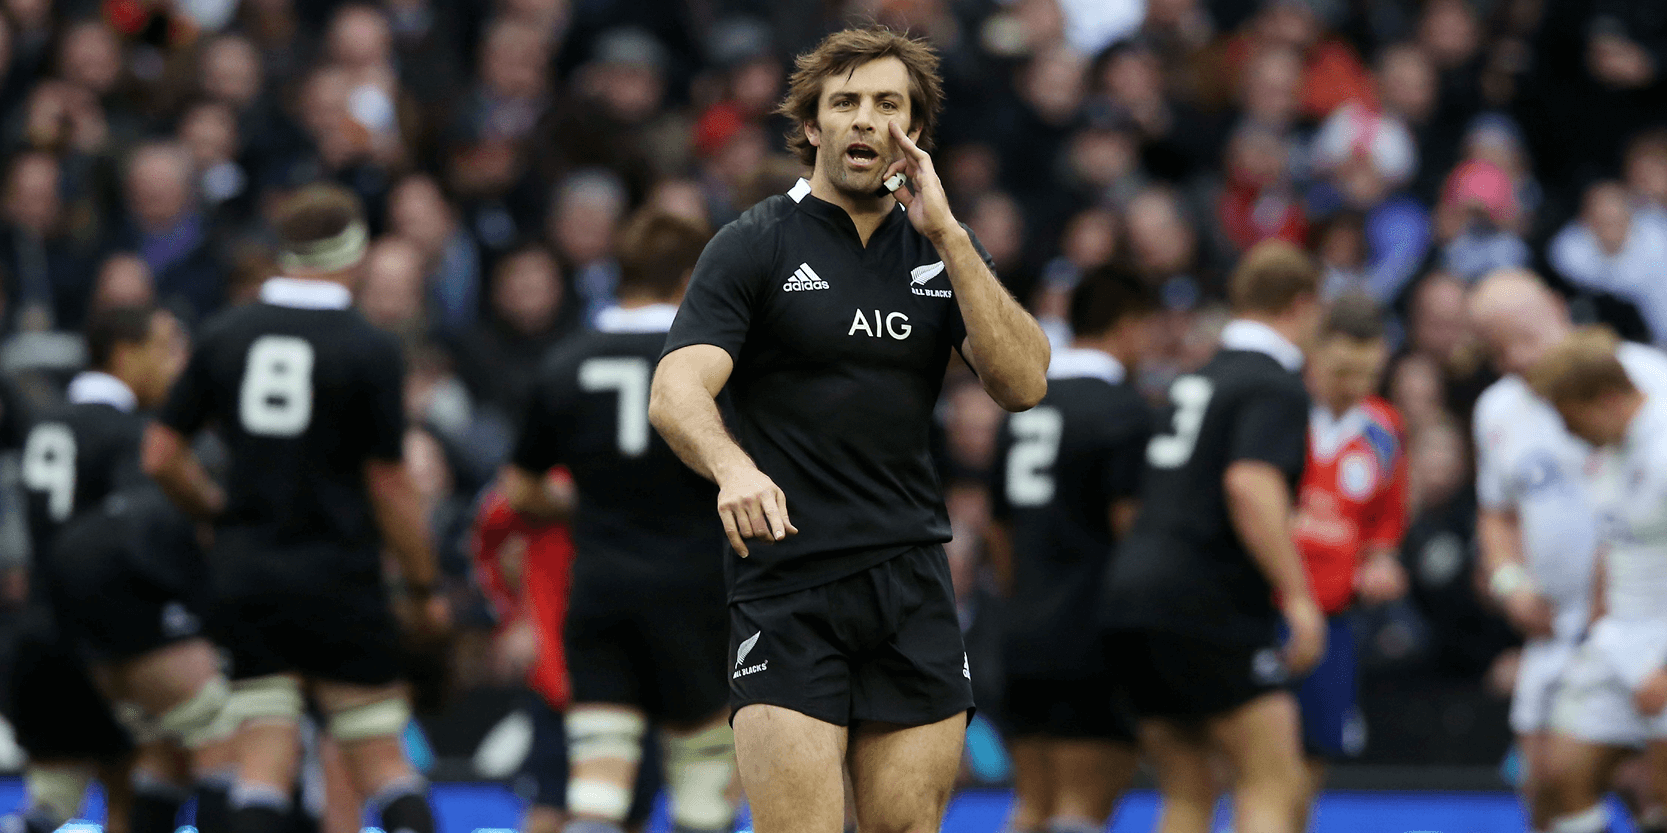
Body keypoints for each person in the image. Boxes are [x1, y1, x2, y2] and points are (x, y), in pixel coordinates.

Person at [647, 24, 1050, 833]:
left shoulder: (940, 253)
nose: (865, 120)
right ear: (810, 127)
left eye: (886, 105)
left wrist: (948, 233)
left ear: (913, 133)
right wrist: (732, 467)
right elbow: (674, 388)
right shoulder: (752, 244)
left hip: (910, 580)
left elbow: (1023, 381)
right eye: (846, 104)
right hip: (789, 583)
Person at [141, 183, 448, 833]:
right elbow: (390, 485)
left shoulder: (224, 332)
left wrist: (215, 509)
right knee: (382, 760)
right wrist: (422, 583)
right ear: (354, 255)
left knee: (262, 764)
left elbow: (162, 454)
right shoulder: (368, 344)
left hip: (247, 573)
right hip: (339, 573)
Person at [502, 209, 736, 833]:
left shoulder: (566, 362)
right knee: (702, 792)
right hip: (697, 594)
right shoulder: (715, 368)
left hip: (601, 590)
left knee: (599, 791)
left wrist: (582, 500)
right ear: (692, 276)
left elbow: (519, 491)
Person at [1102, 240, 1327, 833]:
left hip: (1133, 597)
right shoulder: (1274, 384)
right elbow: (1250, 485)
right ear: (1303, 305)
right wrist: (1300, 599)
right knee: (1273, 779)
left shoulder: (1190, 380)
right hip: (1209, 604)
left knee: (1188, 791)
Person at [23, 306, 242, 833]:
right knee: (218, 728)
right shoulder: (131, 437)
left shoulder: (46, 422)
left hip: (40, 633)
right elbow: (140, 537)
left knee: (64, 800)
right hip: (115, 632)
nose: (178, 365)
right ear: (125, 353)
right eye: (167, 348)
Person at [1468, 268, 1667, 832]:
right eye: (1493, 348)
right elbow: (1502, 514)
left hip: (1656, 627)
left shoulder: (1654, 392)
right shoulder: (1499, 409)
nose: (1510, 359)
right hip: (1581, 630)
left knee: (1654, 795)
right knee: (1551, 779)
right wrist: (1510, 583)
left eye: (1521, 339)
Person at [985, 269, 1157, 833]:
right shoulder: (1125, 412)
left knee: (1030, 807)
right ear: (1128, 327)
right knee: (1082, 811)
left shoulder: (1021, 408)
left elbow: (998, 530)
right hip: (1092, 636)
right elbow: (1130, 527)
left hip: (1024, 634)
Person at [1525, 327, 1667, 833]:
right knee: (1558, 776)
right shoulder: (1610, 447)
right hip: (1616, 638)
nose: (1566, 432)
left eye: (1569, 417)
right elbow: (1616, 537)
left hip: (1662, 643)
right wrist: (1598, 616)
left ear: (1605, 399)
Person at [1289, 293, 1410, 817]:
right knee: (1259, 753)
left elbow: (1385, 520)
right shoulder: (1282, 411)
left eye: (1366, 374)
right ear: (1314, 354)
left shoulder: (1383, 428)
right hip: (1266, 608)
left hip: (1335, 617)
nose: (1352, 386)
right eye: (1341, 371)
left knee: (1317, 753)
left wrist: (1382, 559)